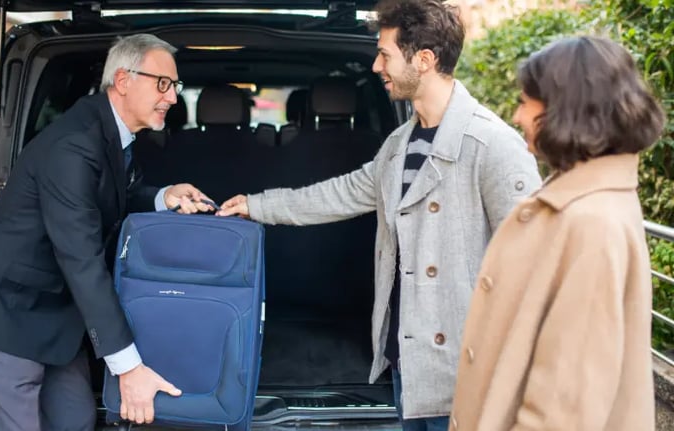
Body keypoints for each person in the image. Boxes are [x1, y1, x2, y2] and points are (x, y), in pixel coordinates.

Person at [216, 0, 542, 428]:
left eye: (385, 53)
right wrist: (258, 205)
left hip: (467, 374)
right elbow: (343, 193)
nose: (375, 66)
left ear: (424, 60)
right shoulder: (398, 144)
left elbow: (534, 265)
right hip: (408, 364)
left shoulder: (491, 145)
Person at [0, 34, 214, 430]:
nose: (173, 98)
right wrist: (130, 368)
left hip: (57, 312)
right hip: (7, 310)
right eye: (163, 83)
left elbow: (111, 193)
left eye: (175, 86)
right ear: (123, 80)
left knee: (76, 419)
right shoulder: (73, 145)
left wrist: (163, 196)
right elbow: (81, 259)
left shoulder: (107, 130)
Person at [447, 35, 666, 431]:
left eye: (526, 102)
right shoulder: (588, 202)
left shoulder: (590, 223)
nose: (516, 116)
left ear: (566, 109)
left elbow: (563, 411)